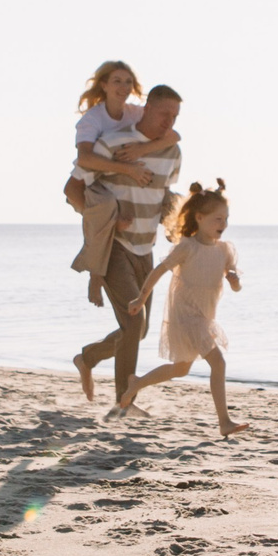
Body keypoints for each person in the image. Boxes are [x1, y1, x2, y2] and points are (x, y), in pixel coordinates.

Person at [73, 85, 183, 410]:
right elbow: (82, 188)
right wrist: (108, 215)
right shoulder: (112, 144)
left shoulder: (173, 153)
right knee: (134, 322)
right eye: (164, 113)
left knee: (140, 329)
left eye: (175, 116)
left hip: (145, 247)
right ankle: (125, 400)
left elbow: (165, 195)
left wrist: (180, 226)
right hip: (114, 245)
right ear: (146, 108)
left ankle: (88, 357)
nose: (169, 122)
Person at [118, 179, 248, 437]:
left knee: (181, 369)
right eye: (218, 219)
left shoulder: (225, 250)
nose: (223, 225)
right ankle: (224, 421)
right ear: (199, 217)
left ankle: (136, 384)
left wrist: (234, 281)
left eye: (226, 219)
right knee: (218, 363)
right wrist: (140, 299)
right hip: (185, 315)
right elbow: (158, 271)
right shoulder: (187, 247)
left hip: (205, 315)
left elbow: (236, 286)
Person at [64, 61, 180, 308]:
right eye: (117, 81)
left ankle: (99, 272)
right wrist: (128, 168)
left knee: (160, 199)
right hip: (91, 182)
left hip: (116, 176)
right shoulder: (93, 119)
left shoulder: (134, 112)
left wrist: (141, 149)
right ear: (104, 85)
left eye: (128, 81)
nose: (124, 87)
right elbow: (85, 158)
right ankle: (96, 276)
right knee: (105, 210)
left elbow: (173, 135)